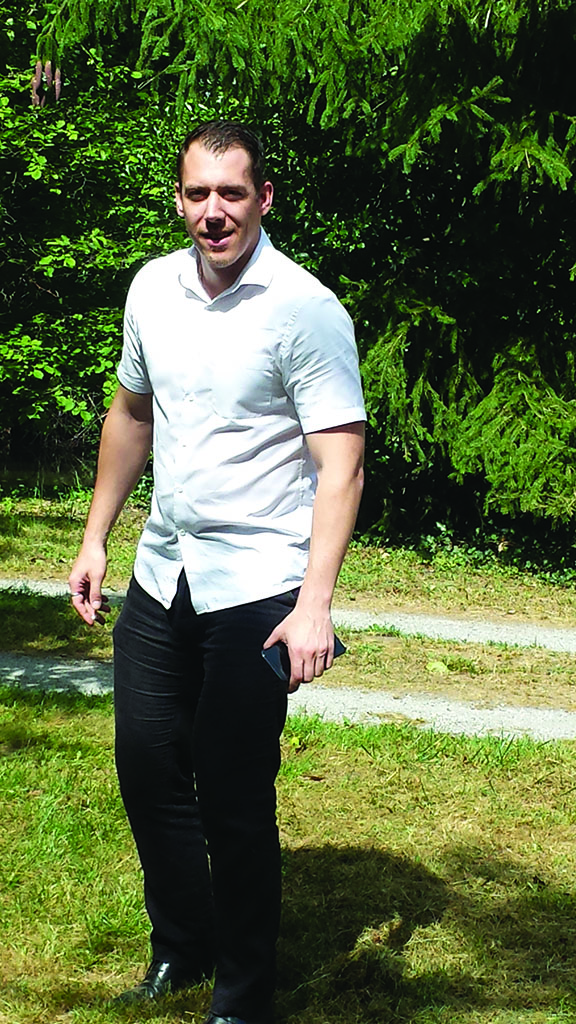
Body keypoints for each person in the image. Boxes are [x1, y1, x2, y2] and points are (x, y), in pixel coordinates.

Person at [69, 120, 365, 1024]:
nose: (214, 212)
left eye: (232, 193)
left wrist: (315, 606)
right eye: (198, 193)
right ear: (179, 199)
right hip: (166, 569)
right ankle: (182, 945)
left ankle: (242, 992)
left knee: (233, 792)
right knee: (147, 766)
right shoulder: (152, 289)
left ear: (262, 199)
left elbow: (342, 463)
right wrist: (95, 537)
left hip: (259, 583)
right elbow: (132, 416)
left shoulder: (305, 308)